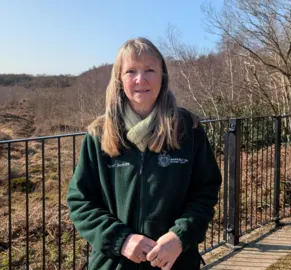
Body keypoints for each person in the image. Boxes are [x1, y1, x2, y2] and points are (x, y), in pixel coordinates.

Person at [66, 37, 222, 270]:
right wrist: (122, 240)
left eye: (150, 69)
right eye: (131, 71)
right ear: (119, 79)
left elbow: (205, 192)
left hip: (176, 263)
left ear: (163, 76)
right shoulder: (98, 134)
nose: (141, 79)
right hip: (114, 264)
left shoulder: (188, 130)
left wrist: (180, 236)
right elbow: (80, 202)